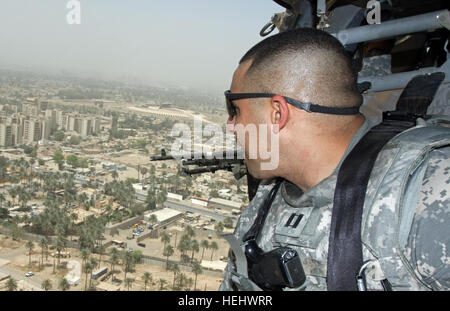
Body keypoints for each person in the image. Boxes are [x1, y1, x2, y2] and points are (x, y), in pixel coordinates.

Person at [219, 28, 450, 291]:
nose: (230, 126)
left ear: (277, 113)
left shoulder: (428, 191)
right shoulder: (266, 202)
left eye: (235, 110)